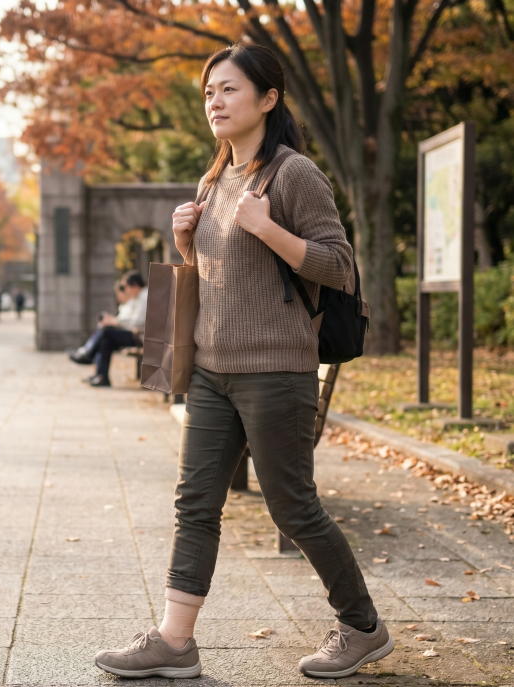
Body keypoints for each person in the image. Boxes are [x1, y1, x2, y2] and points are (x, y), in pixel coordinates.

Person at [93, 44, 390, 680]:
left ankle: (362, 626)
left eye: (228, 90)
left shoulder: (295, 175)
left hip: (276, 370)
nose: (215, 103)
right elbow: (220, 281)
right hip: (209, 369)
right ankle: (174, 642)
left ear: (268, 98)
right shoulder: (212, 180)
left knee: (293, 507)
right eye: (208, 93)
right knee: (195, 502)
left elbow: (338, 267)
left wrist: (269, 228)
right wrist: (183, 245)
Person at [78, 272, 147, 387]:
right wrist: (114, 320)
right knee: (106, 341)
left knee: (106, 332)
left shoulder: (144, 296)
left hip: (139, 335)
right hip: (134, 332)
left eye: (126, 287)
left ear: (135, 285)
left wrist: (115, 322)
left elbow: (137, 321)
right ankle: (102, 376)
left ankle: (88, 353)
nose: (125, 291)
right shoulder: (139, 296)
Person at [67, 280, 128, 366]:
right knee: (104, 340)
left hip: (132, 334)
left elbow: (132, 321)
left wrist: (113, 321)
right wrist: (111, 319)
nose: (117, 296)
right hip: (124, 331)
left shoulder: (136, 300)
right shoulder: (127, 304)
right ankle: (100, 375)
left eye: (118, 293)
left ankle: (87, 353)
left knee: (105, 332)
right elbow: (124, 319)